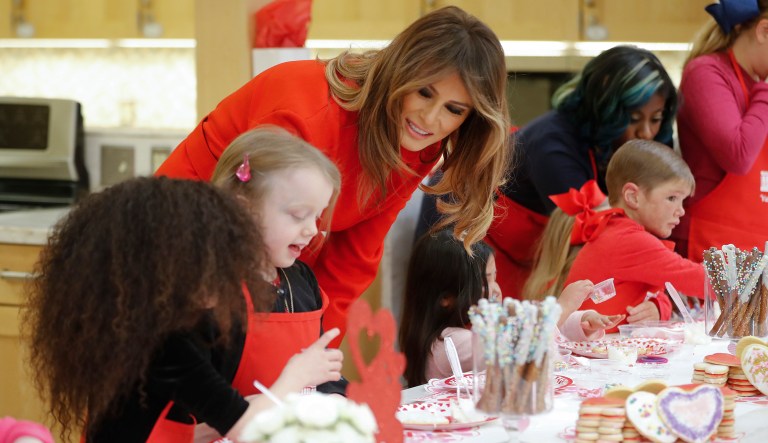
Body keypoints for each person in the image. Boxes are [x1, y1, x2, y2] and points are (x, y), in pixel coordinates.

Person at [156, 6, 511, 346]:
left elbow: (351, 265)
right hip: (178, 240)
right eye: (423, 92)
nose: (430, 119)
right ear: (400, 70)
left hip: (268, 261)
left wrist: (319, 354)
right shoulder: (304, 113)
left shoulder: (418, 144)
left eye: (453, 109)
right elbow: (251, 238)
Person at [23, 177, 343, 443]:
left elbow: (185, 425)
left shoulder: (144, 336)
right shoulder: (167, 349)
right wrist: (295, 377)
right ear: (168, 270)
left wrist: (252, 406)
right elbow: (247, 427)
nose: (230, 274)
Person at [482, 45, 678, 299]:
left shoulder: (624, 146)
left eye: (655, 119)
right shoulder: (551, 145)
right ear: (605, 107)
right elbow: (601, 236)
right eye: (633, 118)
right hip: (498, 261)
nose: (646, 133)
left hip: (544, 264)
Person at [209, 126, 347, 398]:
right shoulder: (212, 292)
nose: (311, 230)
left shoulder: (301, 279)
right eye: (298, 215)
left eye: (316, 217)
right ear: (244, 209)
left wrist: (338, 399)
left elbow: (322, 374)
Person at [398, 229, 620, 388]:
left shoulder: (478, 322)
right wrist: (561, 309)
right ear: (447, 298)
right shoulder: (452, 342)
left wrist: (579, 321)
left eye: (495, 277)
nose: (495, 289)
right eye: (486, 280)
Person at [562, 139, 706, 332]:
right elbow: (694, 279)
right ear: (632, 196)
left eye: (682, 201)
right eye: (672, 198)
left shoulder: (619, 230)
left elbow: (661, 291)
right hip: (590, 354)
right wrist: (745, 281)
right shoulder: (629, 240)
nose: (680, 211)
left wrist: (657, 308)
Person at [672, 0, 768, 261]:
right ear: (763, 31)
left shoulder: (758, 86)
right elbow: (738, 155)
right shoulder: (706, 73)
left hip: (756, 243)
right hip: (709, 245)